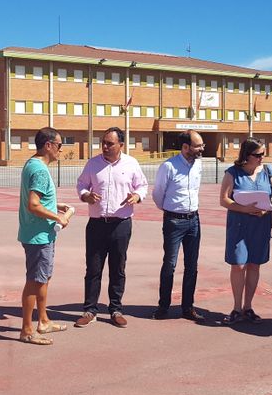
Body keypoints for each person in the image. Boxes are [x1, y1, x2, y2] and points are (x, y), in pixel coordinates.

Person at [74, 127, 148, 329]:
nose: (104, 147)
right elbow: (81, 184)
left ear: (121, 145)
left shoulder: (131, 164)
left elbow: (142, 185)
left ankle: (115, 309)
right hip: (97, 224)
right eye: (103, 142)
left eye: (109, 143)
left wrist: (137, 196)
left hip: (121, 224)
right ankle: (90, 310)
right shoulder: (93, 164)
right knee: (93, 269)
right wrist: (85, 195)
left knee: (118, 268)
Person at [219, 138, 272, 325]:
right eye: (258, 155)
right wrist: (244, 208)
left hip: (260, 225)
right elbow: (224, 200)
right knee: (238, 265)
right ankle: (236, 308)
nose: (262, 158)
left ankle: (248, 307)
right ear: (247, 155)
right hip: (239, 225)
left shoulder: (267, 171)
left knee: (254, 264)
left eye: (263, 154)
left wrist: (270, 207)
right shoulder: (232, 173)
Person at [17, 127, 72, 345]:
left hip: (39, 234)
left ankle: (43, 320)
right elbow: (33, 204)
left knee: (43, 278)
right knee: (35, 281)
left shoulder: (32, 164)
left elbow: (38, 198)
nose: (60, 149)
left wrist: (54, 205)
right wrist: (59, 218)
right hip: (38, 236)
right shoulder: (40, 170)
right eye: (59, 145)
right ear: (48, 145)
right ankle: (27, 330)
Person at [151, 130, 205, 321]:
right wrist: (170, 210)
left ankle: (188, 307)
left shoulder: (199, 164)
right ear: (185, 147)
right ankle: (163, 306)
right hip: (174, 221)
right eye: (198, 145)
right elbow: (158, 193)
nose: (202, 148)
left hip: (194, 220)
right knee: (170, 264)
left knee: (192, 266)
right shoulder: (169, 166)